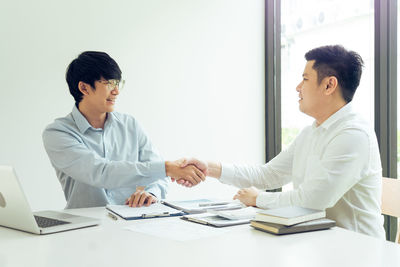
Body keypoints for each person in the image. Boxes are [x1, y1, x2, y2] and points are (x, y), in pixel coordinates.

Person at [178, 45, 385, 238]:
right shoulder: (311, 133)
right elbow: (268, 174)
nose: (297, 87)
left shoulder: (354, 135)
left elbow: (312, 200)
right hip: (318, 243)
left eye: (305, 79)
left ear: (329, 85)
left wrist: (258, 198)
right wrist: (209, 169)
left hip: (357, 252)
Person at [42, 51, 205, 209]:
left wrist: (151, 194)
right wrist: (167, 168)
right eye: (109, 84)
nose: (116, 91)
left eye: (118, 83)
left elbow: (157, 176)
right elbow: (100, 172)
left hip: (131, 223)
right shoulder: (58, 133)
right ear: (84, 88)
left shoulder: (130, 125)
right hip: (84, 227)